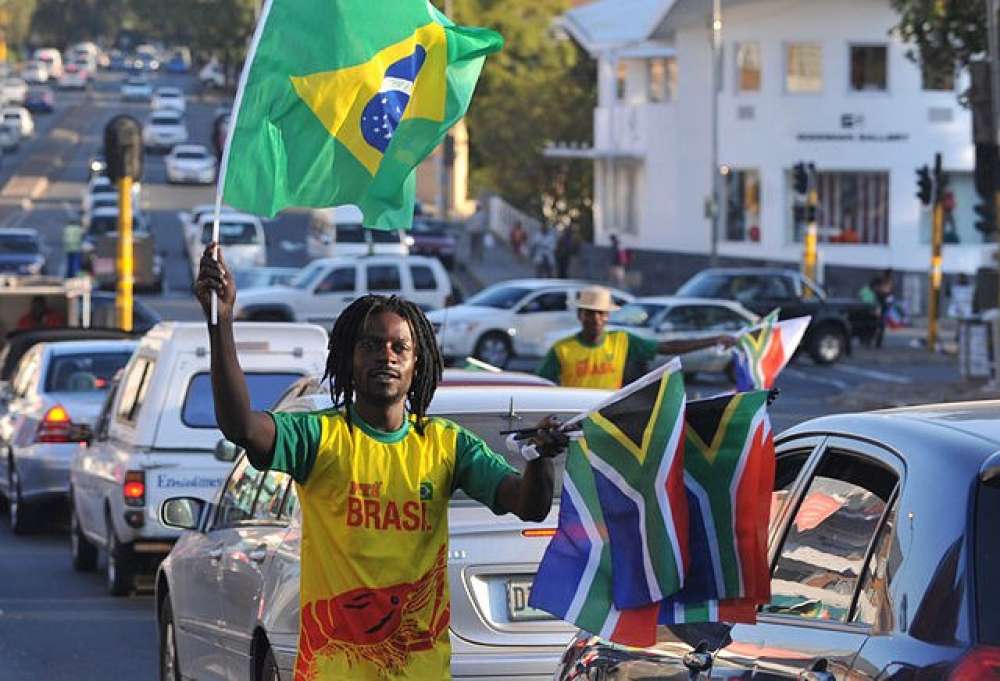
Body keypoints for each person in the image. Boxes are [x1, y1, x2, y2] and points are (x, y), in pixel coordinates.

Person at [194, 243, 568, 680]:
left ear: (416, 363)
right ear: (349, 361)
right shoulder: (318, 437)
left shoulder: (448, 445)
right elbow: (240, 425)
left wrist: (541, 460)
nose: (385, 356)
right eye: (371, 345)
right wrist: (220, 323)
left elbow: (529, 504)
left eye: (399, 347)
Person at [537, 285, 737, 389]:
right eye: (590, 312)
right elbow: (541, 386)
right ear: (580, 315)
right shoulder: (562, 349)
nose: (596, 318)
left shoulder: (622, 340)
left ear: (608, 316)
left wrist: (713, 340)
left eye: (601, 313)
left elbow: (668, 347)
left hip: (606, 421)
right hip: (573, 420)